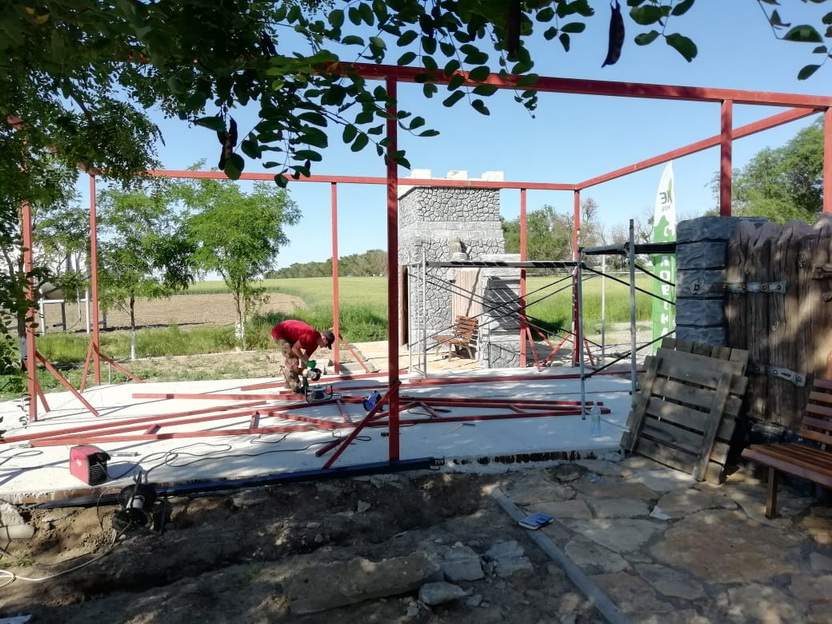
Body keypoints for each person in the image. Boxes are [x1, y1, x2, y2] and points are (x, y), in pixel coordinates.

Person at [270, 320, 335, 392]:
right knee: (293, 360)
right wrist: (306, 361)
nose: (325, 347)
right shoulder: (310, 336)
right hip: (280, 332)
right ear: (324, 339)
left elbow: (305, 358)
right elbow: (295, 348)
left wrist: (305, 378)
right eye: (326, 345)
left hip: (288, 335)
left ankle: (288, 383)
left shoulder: (314, 345)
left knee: (294, 359)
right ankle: (296, 388)